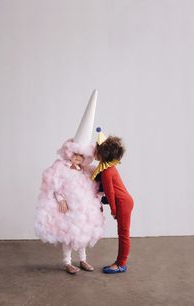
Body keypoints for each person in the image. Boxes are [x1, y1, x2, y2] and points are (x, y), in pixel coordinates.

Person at [35, 90, 105, 274]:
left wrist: (97, 196)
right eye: (75, 155)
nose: (78, 159)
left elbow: (93, 186)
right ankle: (67, 261)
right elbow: (54, 185)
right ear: (69, 153)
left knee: (81, 234)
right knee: (68, 235)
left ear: (84, 158)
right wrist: (61, 200)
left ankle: (83, 260)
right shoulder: (60, 168)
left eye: (81, 157)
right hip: (67, 208)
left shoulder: (85, 171)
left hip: (81, 209)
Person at [92, 128, 134, 273]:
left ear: (103, 153)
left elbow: (110, 193)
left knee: (123, 234)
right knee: (123, 233)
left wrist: (114, 211)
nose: (93, 152)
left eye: (96, 149)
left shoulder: (107, 171)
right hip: (123, 201)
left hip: (122, 203)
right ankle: (120, 262)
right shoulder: (108, 168)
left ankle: (121, 264)